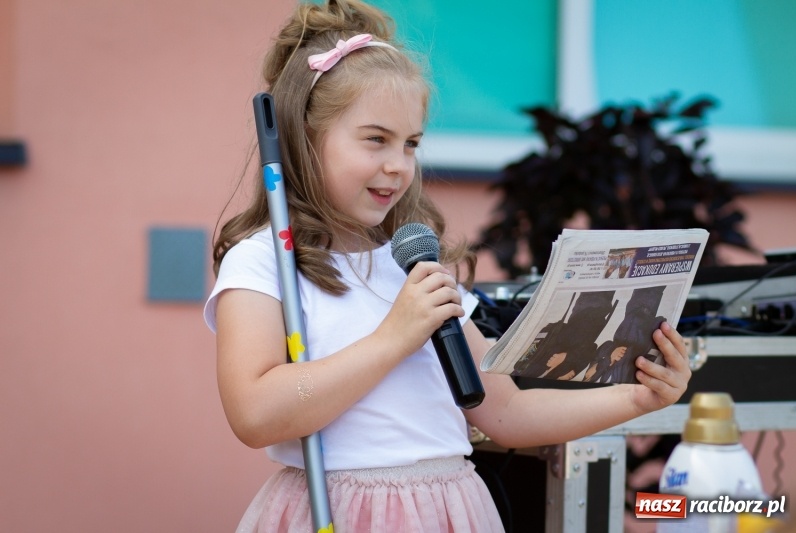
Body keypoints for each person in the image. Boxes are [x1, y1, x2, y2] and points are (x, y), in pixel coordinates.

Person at [204, 1, 692, 531]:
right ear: (304, 138)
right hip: (338, 512)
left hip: (450, 511)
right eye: (375, 139)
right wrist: (394, 337)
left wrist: (638, 398)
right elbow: (254, 414)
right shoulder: (263, 263)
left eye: (411, 144)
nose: (398, 165)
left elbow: (506, 414)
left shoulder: (414, 265)